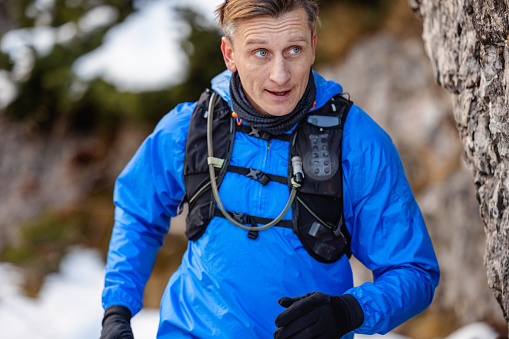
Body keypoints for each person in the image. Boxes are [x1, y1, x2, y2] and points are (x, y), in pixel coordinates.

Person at [100, 0, 440, 338]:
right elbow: (137, 213)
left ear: (313, 45)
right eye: (260, 52)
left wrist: (348, 311)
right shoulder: (191, 127)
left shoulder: (357, 143)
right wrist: (117, 312)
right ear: (229, 54)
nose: (280, 75)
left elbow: (414, 271)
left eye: (294, 49)